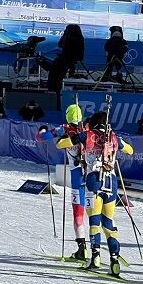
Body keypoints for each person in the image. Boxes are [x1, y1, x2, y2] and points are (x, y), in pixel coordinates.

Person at [58, 110, 134, 276]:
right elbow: (130, 150)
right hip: (111, 183)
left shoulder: (88, 134)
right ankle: (114, 258)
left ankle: (95, 258)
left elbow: (60, 145)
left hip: (94, 182)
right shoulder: (113, 137)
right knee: (109, 221)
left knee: (94, 221)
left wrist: (75, 137)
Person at [38, 104, 90, 261]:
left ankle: (82, 249)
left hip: (77, 177)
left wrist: (42, 130)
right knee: (96, 213)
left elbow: (42, 138)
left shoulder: (65, 129)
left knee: (78, 214)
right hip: (94, 175)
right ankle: (97, 253)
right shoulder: (89, 128)